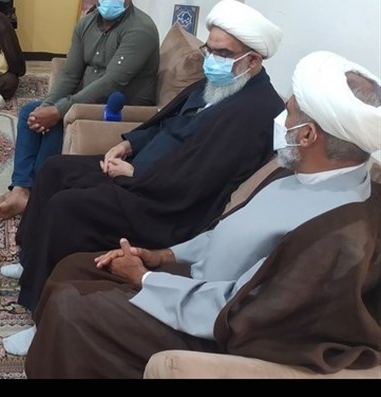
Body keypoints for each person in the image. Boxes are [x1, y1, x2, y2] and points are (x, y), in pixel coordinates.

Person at [24, 50, 381, 378]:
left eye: (287, 112)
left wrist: (145, 279)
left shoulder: (335, 232)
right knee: (76, 267)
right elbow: (228, 232)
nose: (278, 119)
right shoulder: (297, 173)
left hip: (212, 326)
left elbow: (244, 311)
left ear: (307, 135)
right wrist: (163, 256)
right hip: (196, 284)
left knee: (72, 310)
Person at [0, 0, 286, 355]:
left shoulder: (256, 111)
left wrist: (135, 174)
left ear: (253, 60)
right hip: (144, 173)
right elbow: (164, 123)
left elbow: (202, 180)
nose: (212, 60)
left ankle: (44, 322)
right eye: (209, 50)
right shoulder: (219, 83)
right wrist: (128, 145)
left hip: (163, 204)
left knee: (67, 208)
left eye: (222, 53)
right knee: (54, 169)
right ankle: (31, 261)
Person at [0, 0, 160, 219]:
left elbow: (112, 82)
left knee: (57, 120)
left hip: (120, 107)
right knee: (31, 113)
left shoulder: (141, 29)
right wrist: (47, 106)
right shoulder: (87, 23)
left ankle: (37, 192)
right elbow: (70, 73)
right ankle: (22, 188)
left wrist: (58, 111)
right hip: (87, 99)